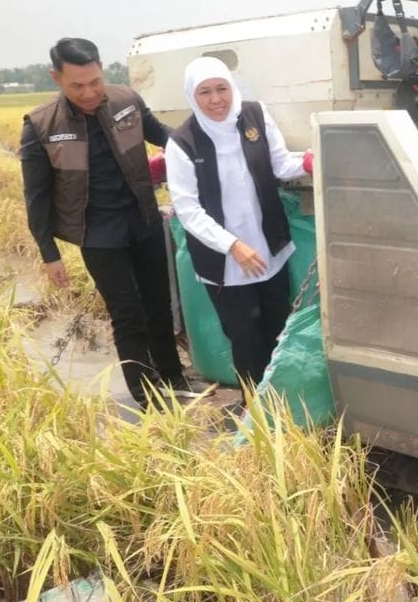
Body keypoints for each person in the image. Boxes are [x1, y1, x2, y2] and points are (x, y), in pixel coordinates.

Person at [20, 37, 188, 408]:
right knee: (127, 313)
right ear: (57, 78)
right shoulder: (41, 126)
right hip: (97, 233)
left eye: (95, 81)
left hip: (142, 218)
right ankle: (147, 395)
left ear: (101, 69)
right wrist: (49, 253)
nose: (89, 91)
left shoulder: (126, 100)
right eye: (77, 85)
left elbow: (165, 137)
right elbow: (37, 197)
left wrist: (209, 148)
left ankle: (174, 375)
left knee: (159, 303)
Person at [165, 57, 311, 391]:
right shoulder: (183, 143)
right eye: (205, 92)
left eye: (221, 89)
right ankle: (254, 408)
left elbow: (280, 164)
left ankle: (281, 399)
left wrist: (310, 161)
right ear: (192, 96)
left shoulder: (254, 116)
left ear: (232, 88)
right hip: (224, 259)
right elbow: (188, 210)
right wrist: (233, 245)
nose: (216, 100)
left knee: (277, 325)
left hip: (268, 247)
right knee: (244, 334)